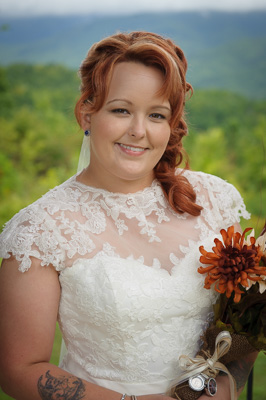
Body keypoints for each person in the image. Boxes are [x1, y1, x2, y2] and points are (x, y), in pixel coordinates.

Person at [0, 31, 257, 400]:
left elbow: (243, 322)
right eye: (121, 110)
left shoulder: (215, 199)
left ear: (171, 126)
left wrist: (222, 386)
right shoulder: (39, 231)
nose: (138, 131)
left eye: (156, 114)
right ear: (87, 111)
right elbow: (19, 370)